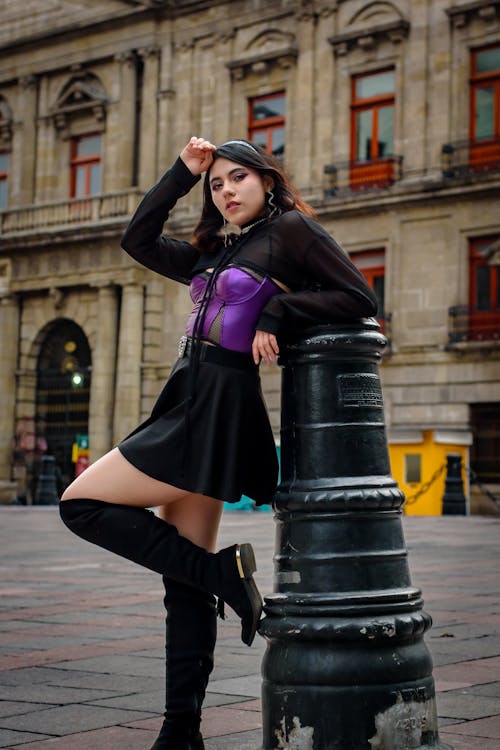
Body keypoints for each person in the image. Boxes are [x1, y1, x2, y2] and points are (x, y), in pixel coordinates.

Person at [59, 136, 378, 749]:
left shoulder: (292, 232)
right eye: (217, 183)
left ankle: (225, 576)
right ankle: (182, 729)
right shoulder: (218, 249)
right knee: (184, 585)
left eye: (238, 178)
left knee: (80, 504)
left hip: (217, 405)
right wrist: (183, 171)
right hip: (187, 394)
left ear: (267, 181)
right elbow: (139, 240)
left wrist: (277, 314)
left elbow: (358, 297)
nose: (226, 190)